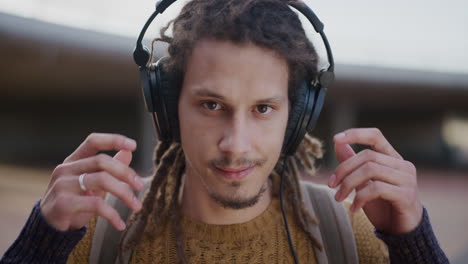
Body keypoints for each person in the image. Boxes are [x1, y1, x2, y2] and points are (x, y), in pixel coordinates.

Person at [1, 0, 448, 263]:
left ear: (298, 116)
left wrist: (413, 246)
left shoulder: (349, 233)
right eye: (211, 105)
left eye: (263, 109)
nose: (236, 144)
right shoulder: (93, 233)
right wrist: (40, 244)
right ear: (167, 106)